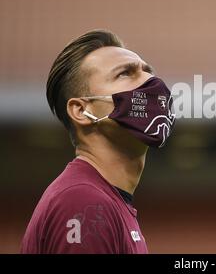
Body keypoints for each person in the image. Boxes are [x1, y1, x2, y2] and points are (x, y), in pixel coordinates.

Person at [21, 29, 175, 253]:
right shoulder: (83, 202)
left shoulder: (107, 201)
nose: (151, 81)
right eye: (125, 74)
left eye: (148, 72)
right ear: (81, 110)